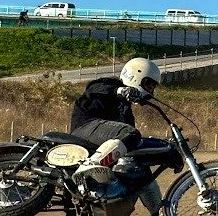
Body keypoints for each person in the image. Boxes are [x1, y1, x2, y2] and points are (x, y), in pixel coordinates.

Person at [69, 57, 163, 215]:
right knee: (131, 134)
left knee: (138, 166)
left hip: (98, 144)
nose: (151, 91)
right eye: (149, 85)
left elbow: (131, 146)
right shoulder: (110, 84)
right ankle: (90, 166)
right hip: (85, 127)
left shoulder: (126, 112)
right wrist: (120, 91)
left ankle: (159, 211)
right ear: (136, 76)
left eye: (153, 87)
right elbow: (93, 88)